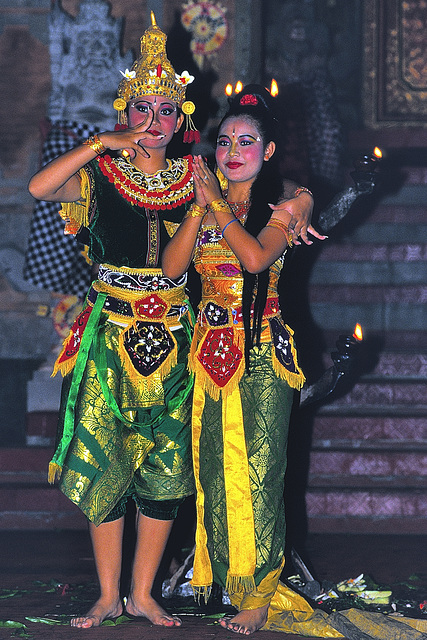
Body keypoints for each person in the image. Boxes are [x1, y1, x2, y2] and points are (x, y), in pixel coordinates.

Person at [28, 12, 199, 629]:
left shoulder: (195, 178)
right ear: (127, 113)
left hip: (176, 336)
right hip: (111, 334)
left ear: (182, 119)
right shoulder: (101, 173)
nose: (154, 124)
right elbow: (40, 186)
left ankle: (144, 592)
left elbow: (240, 221)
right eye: (143, 110)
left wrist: (301, 202)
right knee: (105, 455)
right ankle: (107, 594)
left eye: (166, 111)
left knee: (166, 461)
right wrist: (100, 143)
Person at [162, 84, 335, 636]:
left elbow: (257, 259)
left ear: (269, 149)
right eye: (224, 141)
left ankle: (260, 593)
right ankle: (228, 582)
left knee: (261, 471)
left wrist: (217, 201)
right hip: (209, 353)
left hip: (262, 349)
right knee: (213, 470)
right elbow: (171, 272)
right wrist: (198, 205)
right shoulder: (206, 202)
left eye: (246, 141)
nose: (232, 151)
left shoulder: (284, 205)